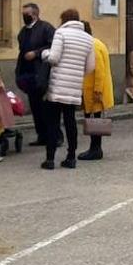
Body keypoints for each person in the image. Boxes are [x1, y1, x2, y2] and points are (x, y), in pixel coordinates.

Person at [41, 9, 96, 169]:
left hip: (57, 86)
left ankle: (50, 159)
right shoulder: (88, 38)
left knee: (53, 123)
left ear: (64, 20)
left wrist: (45, 53)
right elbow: (91, 67)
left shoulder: (61, 33)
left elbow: (53, 58)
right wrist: (78, 74)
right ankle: (71, 157)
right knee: (70, 122)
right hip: (74, 87)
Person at [16, 3, 57, 146]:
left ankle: (55, 136)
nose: (24, 16)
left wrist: (36, 53)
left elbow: (54, 46)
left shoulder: (46, 28)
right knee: (35, 107)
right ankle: (41, 135)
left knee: (46, 107)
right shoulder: (23, 32)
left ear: (35, 14)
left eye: (27, 14)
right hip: (28, 74)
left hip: (42, 72)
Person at [79, 21, 114, 161]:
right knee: (93, 120)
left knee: (94, 121)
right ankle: (94, 148)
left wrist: (98, 91)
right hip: (93, 90)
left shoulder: (93, 46)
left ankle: (96, 149)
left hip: (95, 91)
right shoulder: (95, 43)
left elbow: (98, 71)